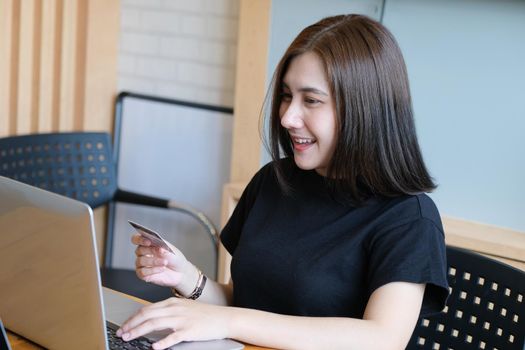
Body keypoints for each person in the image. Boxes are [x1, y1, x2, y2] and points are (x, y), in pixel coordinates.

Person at [116, 14, 449, 349]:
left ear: (365, 109)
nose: (287, 117)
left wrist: (228, 320)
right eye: (287, 95)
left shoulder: (409, 219)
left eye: (312, 100)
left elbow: (382, 339)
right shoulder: (273, 182)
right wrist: (188, 278)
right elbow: (245, 303)